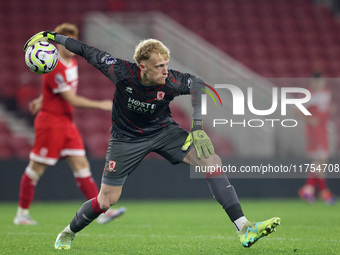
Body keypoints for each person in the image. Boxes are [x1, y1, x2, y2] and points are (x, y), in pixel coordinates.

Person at [23, 31, 280, 250]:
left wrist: (198, 127)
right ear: (142, 66)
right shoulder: (121, 70)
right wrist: (51, 36)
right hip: (126, 139)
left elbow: (199, 87)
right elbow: (85, 50)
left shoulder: (171, 80)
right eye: (160, 66)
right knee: (106, 201)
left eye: (167, 64)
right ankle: (68, 232)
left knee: (211, 160)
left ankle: (244, 227)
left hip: (163, 131)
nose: (166, 71)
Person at [14, 23, 126, 226]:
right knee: (36, 168)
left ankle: (101, 212)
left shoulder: (71, 63)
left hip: (67, 123)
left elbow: (57, 91)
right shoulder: (54, 67)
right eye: (67, 42)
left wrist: (41, 99)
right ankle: (21, 214)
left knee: (82, 166)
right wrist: (101, 104)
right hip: (51, 123)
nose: (72, 46)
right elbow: (71, 99)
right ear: (58, 44)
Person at [298, 71, 336, 205]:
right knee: (320, 160)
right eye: (316, 82)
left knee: (322, 163)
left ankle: (317, 190)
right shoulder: (309, 95)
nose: (318, 84)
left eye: (320, 81)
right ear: (312, 82)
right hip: (314, 132)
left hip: (324, 130)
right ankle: (315, 190)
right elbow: (297, 108)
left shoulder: (326, 94)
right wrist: (309, 119)